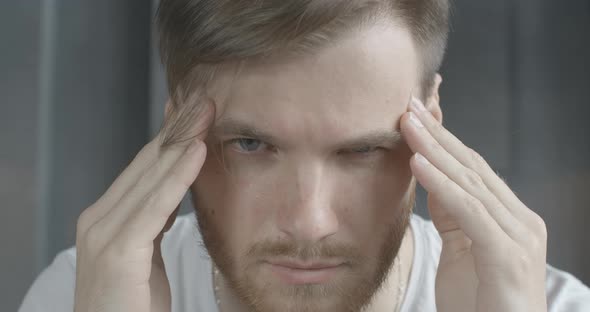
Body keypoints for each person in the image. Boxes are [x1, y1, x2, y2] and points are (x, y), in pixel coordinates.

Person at [19, 0, 590, 311]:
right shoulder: (83, 295)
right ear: (177, 128)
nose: (309, 221)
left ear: (431, 124)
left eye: (363, 150)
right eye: (251, 145)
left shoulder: (549, 306)